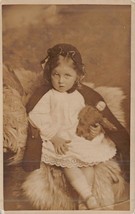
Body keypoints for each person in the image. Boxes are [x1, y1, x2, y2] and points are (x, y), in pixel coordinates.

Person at [22, 43, 130, 209]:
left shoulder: (80, 94)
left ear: (77, 76)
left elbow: (88, 115)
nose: (60, 80)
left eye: (67, 76)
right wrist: (53, 136)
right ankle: (88, 196)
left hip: (78, 137)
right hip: (60, 138)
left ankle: (84, 201)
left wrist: (95, 128)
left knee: (88, 164)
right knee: (69, 165)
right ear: (49, 74)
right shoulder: (49, 96)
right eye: (56, 75)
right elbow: (36, 117)